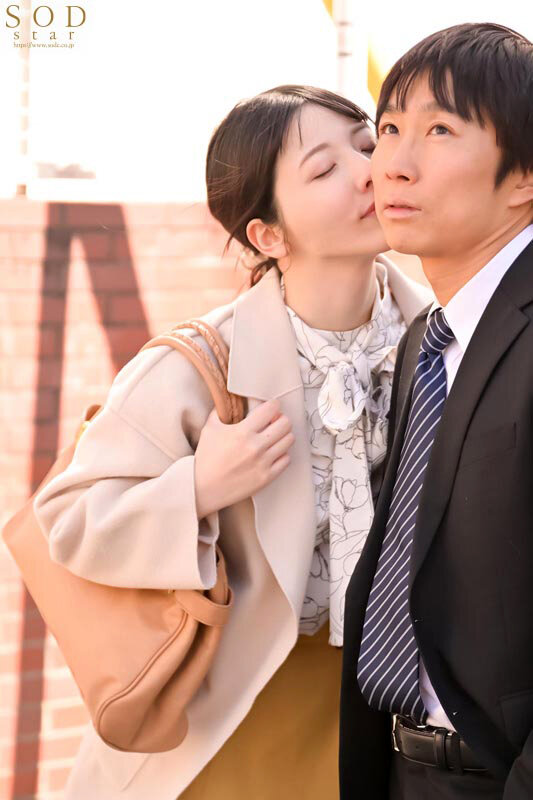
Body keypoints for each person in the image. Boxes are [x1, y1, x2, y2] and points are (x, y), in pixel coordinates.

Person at [33, 85, 430, 800]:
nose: (367, 172)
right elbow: (66, 517)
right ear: (268, 236)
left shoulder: (441, 344)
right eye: (324, 168)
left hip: (382, 718)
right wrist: (198, 488)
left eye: (367, 146)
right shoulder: (196, 365)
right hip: (223, 721)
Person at [339, 21, 533, 800]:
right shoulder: (430, 333)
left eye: (439, 130)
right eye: (387, 129)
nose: (393, 162)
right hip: (400, 766)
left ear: (523, 175)